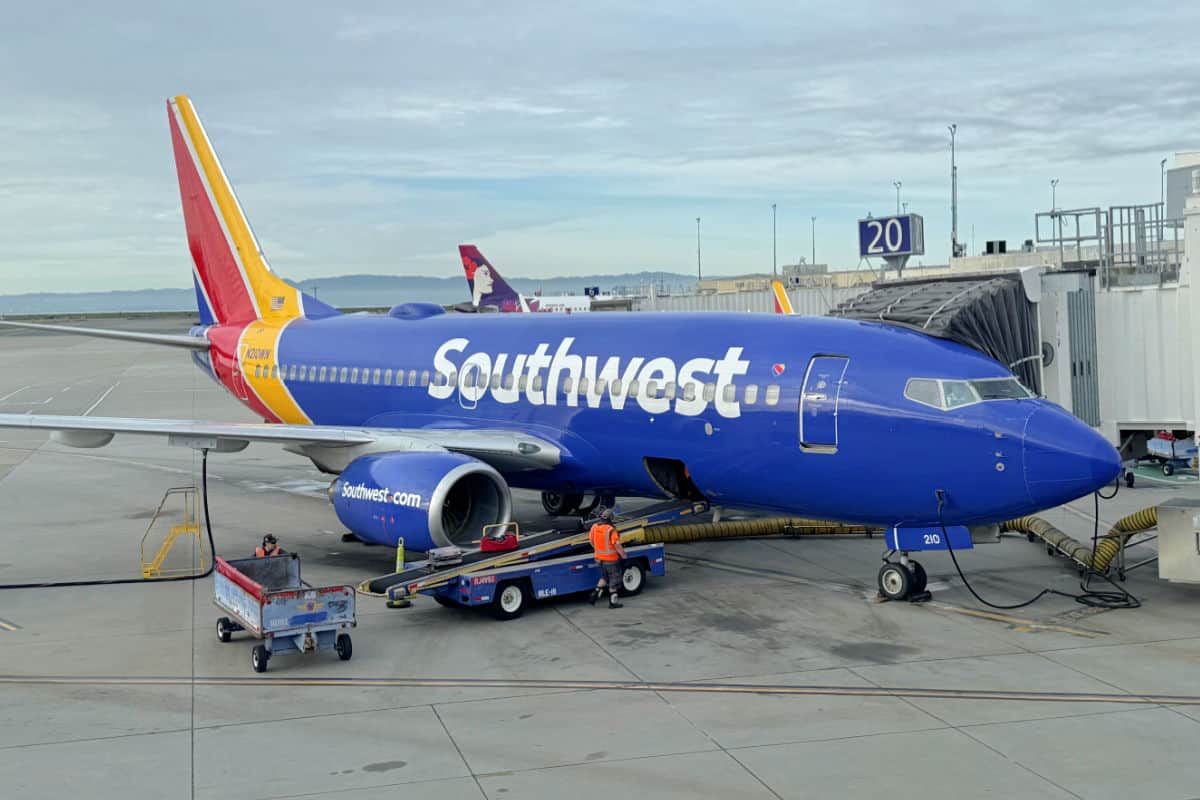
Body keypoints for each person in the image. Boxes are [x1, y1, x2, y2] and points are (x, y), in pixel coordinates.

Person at [588, 508, 627, 609]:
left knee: (605, 577)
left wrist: (598, 550)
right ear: (610, 519)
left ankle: (595, 594)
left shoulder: (594, 527)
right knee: (614, 581)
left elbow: (591, 541)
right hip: (611, 560)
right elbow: (617, 545)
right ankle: (613, 603)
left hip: (599, 559)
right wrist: (623, 555)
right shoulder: (611, 530)